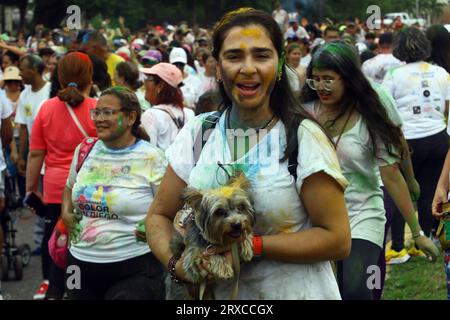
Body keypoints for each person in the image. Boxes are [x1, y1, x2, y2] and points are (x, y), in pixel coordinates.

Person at [146, 8, 351, 300]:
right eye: (233, 57)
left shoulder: (303, 136)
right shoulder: (199, 132)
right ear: (217, 66)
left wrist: (250, 247)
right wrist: (178, 266)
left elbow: (337, 239)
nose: (248, 68)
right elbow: (158, 216)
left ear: (279, 64)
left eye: (261, 55)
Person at [300, 41, 438, 299]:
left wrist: (417, 232)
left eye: (328, 79)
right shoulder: (304, 114)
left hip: (363, 212)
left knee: (355, 288)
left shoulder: (371, 108)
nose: (320, 86)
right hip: (316, 219)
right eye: (315, 79)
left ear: (348, 78)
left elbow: (391, 171)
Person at [61, 87, 167, 300]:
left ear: (130, 117)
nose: (99, 119)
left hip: (134, 264)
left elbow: (171, 207)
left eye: (108, 112)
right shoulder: (85, 150)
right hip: (79, 265)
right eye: (97, 112)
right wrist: (65, 212)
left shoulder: (152, 158)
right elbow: (69, 188)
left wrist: (154, 227)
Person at [26, 51, 97, 299]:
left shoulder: (46, 109)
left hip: (55, 189)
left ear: (59, 76)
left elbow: (35, 154)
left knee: (54, 239)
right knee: (86, 241)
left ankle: (52, 287)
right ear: (90, 76)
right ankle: (79, 290)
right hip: (89, 191)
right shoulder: (98, 111)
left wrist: (31, 189)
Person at [382, 27, 450, 263]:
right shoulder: (441, 72)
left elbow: (386, 111)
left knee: (401, 190)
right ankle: (425, 241)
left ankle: (399, 247)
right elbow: (447, 107)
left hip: (405, 140)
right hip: (438, 137)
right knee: (428, 192)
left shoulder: (392, 75)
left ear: (399, 47)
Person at [140, 62, 195, 151]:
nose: (144, 82)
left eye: (148, 78)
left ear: (160, 86)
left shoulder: (151, 115)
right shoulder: (189, 113)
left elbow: (148, 155)